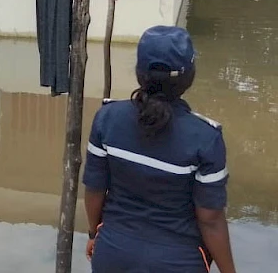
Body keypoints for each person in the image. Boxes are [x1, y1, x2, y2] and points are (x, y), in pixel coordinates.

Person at [83, 26, 236, 273]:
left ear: (139, 73)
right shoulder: (205, 137)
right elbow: (210, 220)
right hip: (178, 261)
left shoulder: (107, 119)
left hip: (112, 252)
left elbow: (94, 190)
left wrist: (94, 234)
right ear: (189, 77)